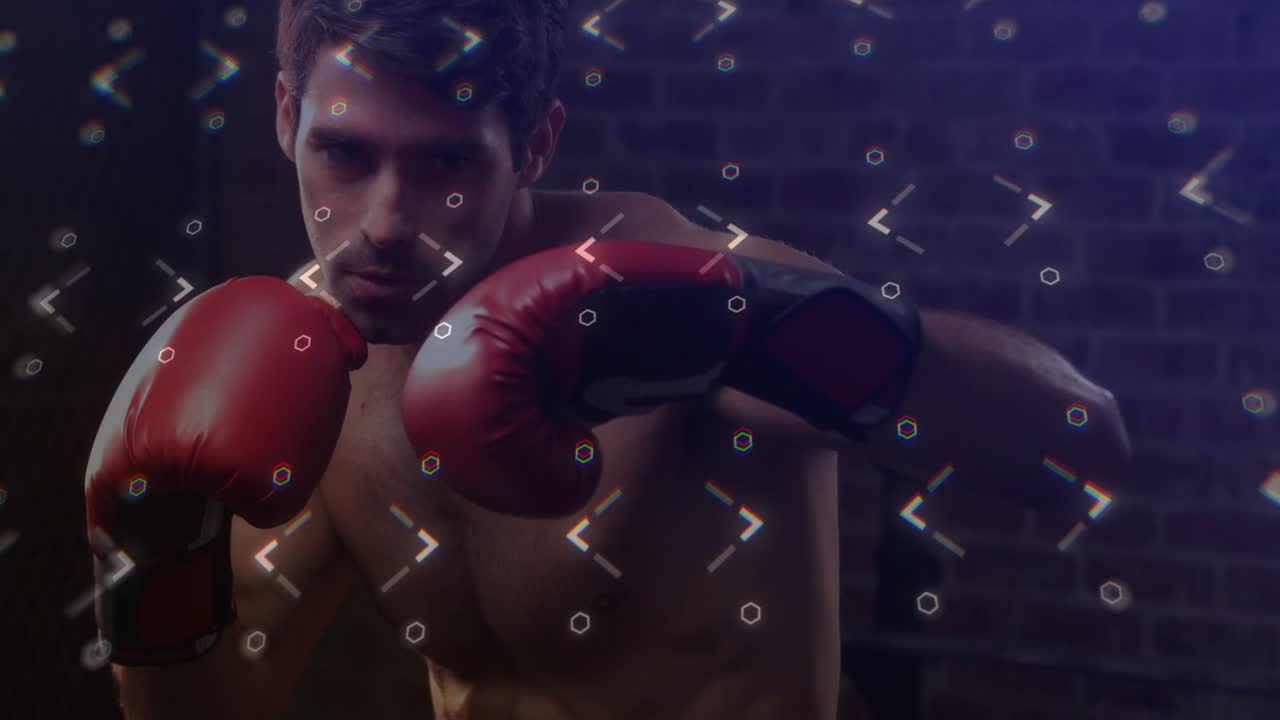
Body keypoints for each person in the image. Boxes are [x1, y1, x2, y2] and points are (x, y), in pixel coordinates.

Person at [84, 1, 1135, 718]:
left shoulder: (675, 287)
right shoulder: (308, 363)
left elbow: (1075, 446)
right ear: (285, 119)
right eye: (345, 155)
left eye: (445, 163)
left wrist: (753, 324)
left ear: (534, 147)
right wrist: (150, 553)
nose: (386, 221)